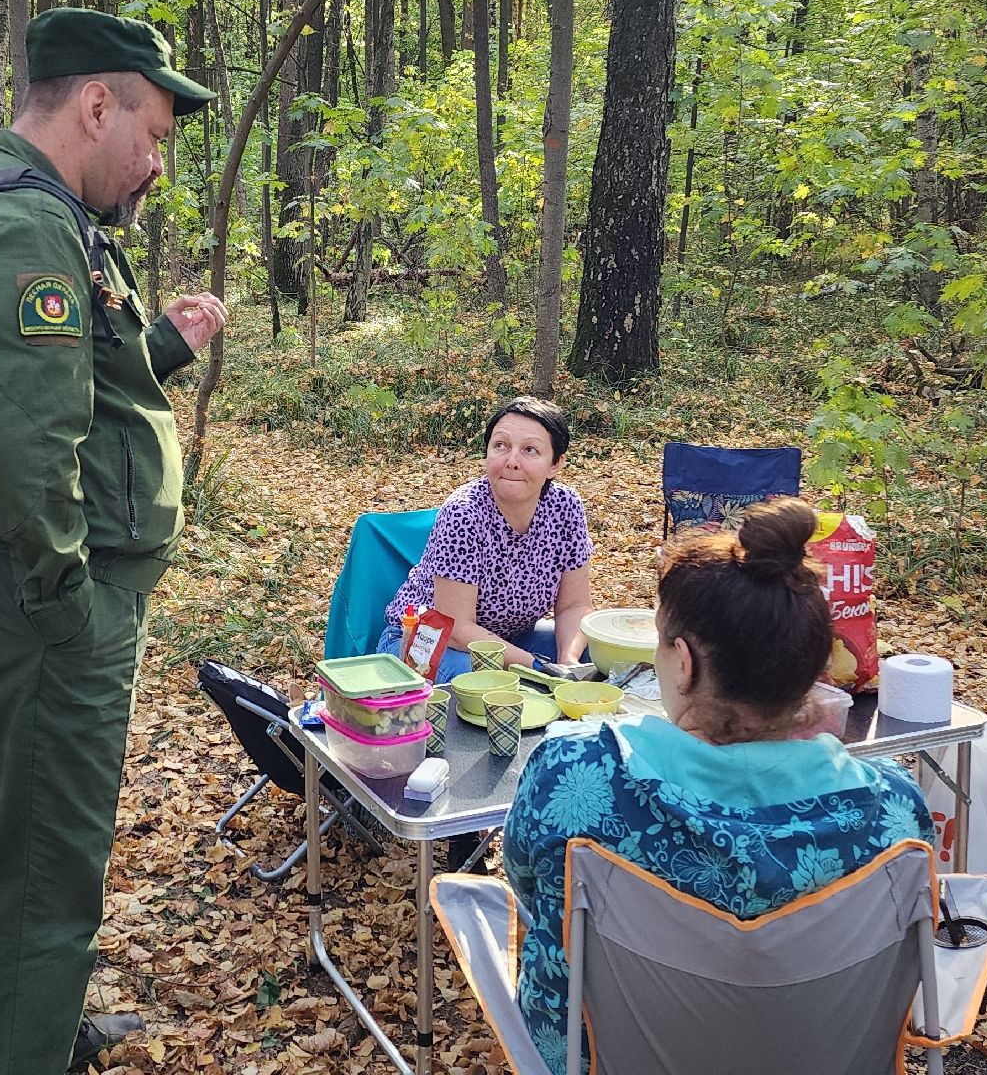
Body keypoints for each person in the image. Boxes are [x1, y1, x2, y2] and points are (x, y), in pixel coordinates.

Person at [0, 9, 225, 1074]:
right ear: (95, 105)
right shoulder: (21, 229)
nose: (158, 163)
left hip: (25, 605)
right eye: (155, 133)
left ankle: (38, 1029)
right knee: (38, 860)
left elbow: (75, 385)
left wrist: (162, 345)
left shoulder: (40, 216)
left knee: (43, 852)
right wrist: (70, 600)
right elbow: (27, 452)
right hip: (34, 615)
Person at [501, 498, 934, 1070]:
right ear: (810, 669)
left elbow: (529, 888)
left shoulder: (576, 773)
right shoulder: (895, 808)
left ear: (683, 662)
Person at [376, 396, 594, 685]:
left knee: (596, 655)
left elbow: (574, 606)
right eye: (501, 446)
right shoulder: (464, 513)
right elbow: (455, 628)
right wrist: (538, 668)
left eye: (530, 450)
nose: (512, 461)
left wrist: (568, 661)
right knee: (490, 682)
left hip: (512, 638)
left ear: (555, 464)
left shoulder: (566, 507)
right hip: (428, 643)